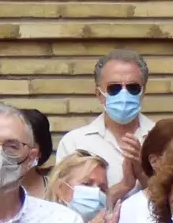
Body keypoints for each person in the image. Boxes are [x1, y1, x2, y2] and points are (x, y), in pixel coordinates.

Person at [55, 48, 155, 196]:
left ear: (143, 92)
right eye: (114, 88)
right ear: (99, 94)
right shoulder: (74, 143)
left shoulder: (163, 139)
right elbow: (65, 203)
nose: (124, 94)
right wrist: (123, 187)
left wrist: (143, 174)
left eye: (132, 87)